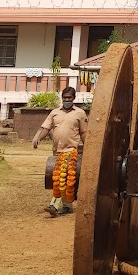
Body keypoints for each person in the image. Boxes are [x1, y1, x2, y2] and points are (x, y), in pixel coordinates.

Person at [33, 86, 87, 216]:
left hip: (71, 150)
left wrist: (88, 148)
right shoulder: (54, 112)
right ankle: (66, 206)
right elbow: (46, 128)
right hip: (57, 151)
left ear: (74, 98)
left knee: (63, 176)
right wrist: (38, 138)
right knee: (58, 177)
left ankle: (55, 205)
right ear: (62, 98)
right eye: (65, 98)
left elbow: (84, 132)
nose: (67, 100)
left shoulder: (80, 113)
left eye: (69, 98)